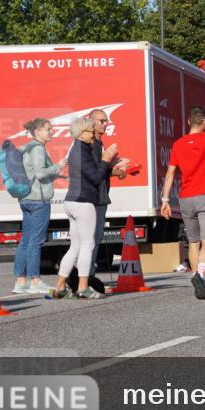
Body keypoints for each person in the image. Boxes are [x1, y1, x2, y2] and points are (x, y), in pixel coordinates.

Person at [160, 72, 205, 300]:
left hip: (185, 199)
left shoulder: (178, 144)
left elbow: (170, 173)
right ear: (204, 123)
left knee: (193, 242)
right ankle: (200, 274)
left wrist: (164, 201)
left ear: (188, 122)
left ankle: (195, 276)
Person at [49, 118, 115, 299]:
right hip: (83, 202)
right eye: (91, 131)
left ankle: (61, 287)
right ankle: (83, 288)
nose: (94, 134)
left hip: (72, 201)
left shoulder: (78, 149)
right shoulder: (80, 151)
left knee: (76, 246)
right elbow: (95, 177)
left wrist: (106, 163)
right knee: (88, 245)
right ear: (81, 133)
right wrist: (105, 159)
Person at [12, 118, 64, 293]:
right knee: (36, 241)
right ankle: (35, 281)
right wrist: (58, 167)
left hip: (26, 199)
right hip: (39, 201)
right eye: (48, 129)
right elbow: (41, 174)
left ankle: (20, 282)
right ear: (38, 131)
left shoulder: (26, 148)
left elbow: (33, 173)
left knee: (26, 240)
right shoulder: (38, 149)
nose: (52, 132)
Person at [86, 108, 128, 292]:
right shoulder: (93, 144)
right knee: (92, 239)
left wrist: (114, 165)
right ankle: (86, 278)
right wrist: (116, 169)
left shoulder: (98, 143)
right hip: (95, 198)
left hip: (98, 196)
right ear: (91, 122)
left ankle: (86, 277)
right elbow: (97, 171)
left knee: (93, 239)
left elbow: (101, 167)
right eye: (102, 121)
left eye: (106, 120)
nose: (105, 123)